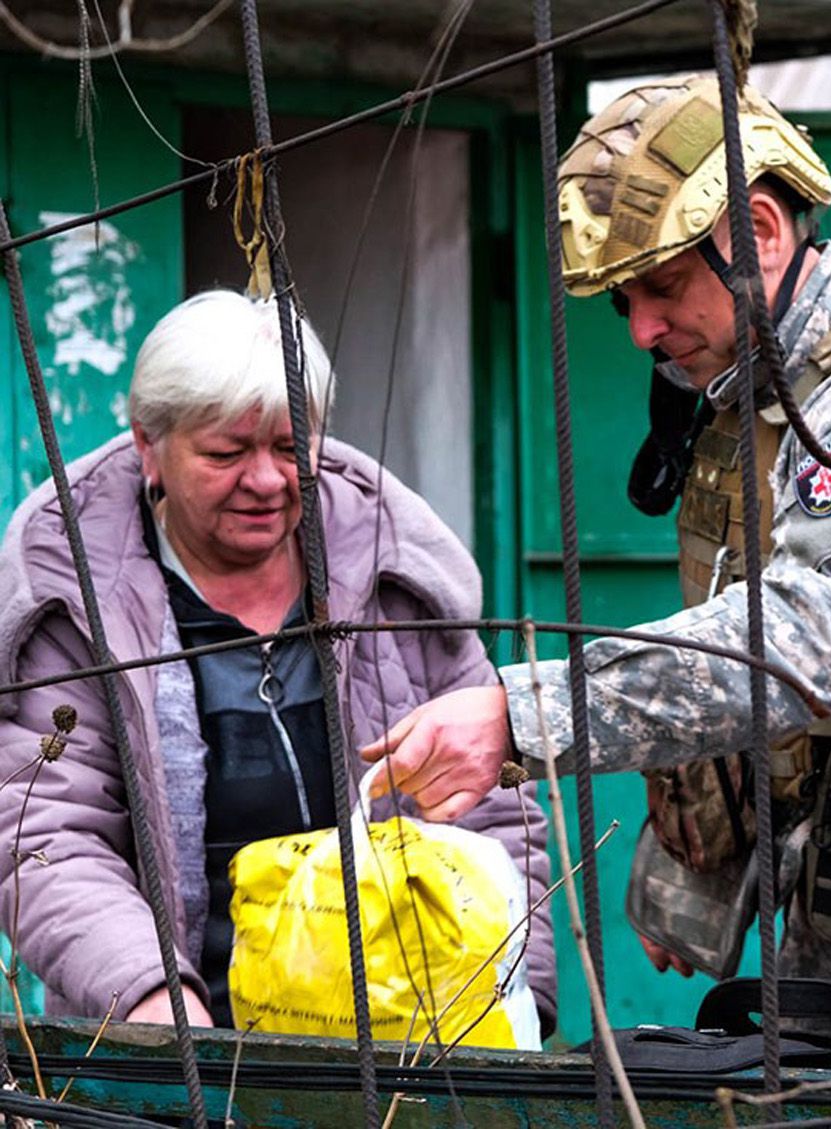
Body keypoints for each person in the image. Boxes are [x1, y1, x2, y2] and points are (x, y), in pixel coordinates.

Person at [360, 77, 831, 1070]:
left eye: (660, 287)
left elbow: (826, 635)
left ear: (757, 231)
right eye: (624, 299)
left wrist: (522, 714)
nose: (640, 331)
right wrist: (692, 868)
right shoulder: (756, 387)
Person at [0, 291, 554, 1030]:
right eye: (226, 452)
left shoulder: (398, 568)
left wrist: (521, 996)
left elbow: (491, 807)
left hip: (407, 1042)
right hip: (175, 1050)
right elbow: (46, 834)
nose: (265, 480)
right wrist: (148, 996)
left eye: (292, 448)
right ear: (148, 446)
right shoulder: (71, 591)